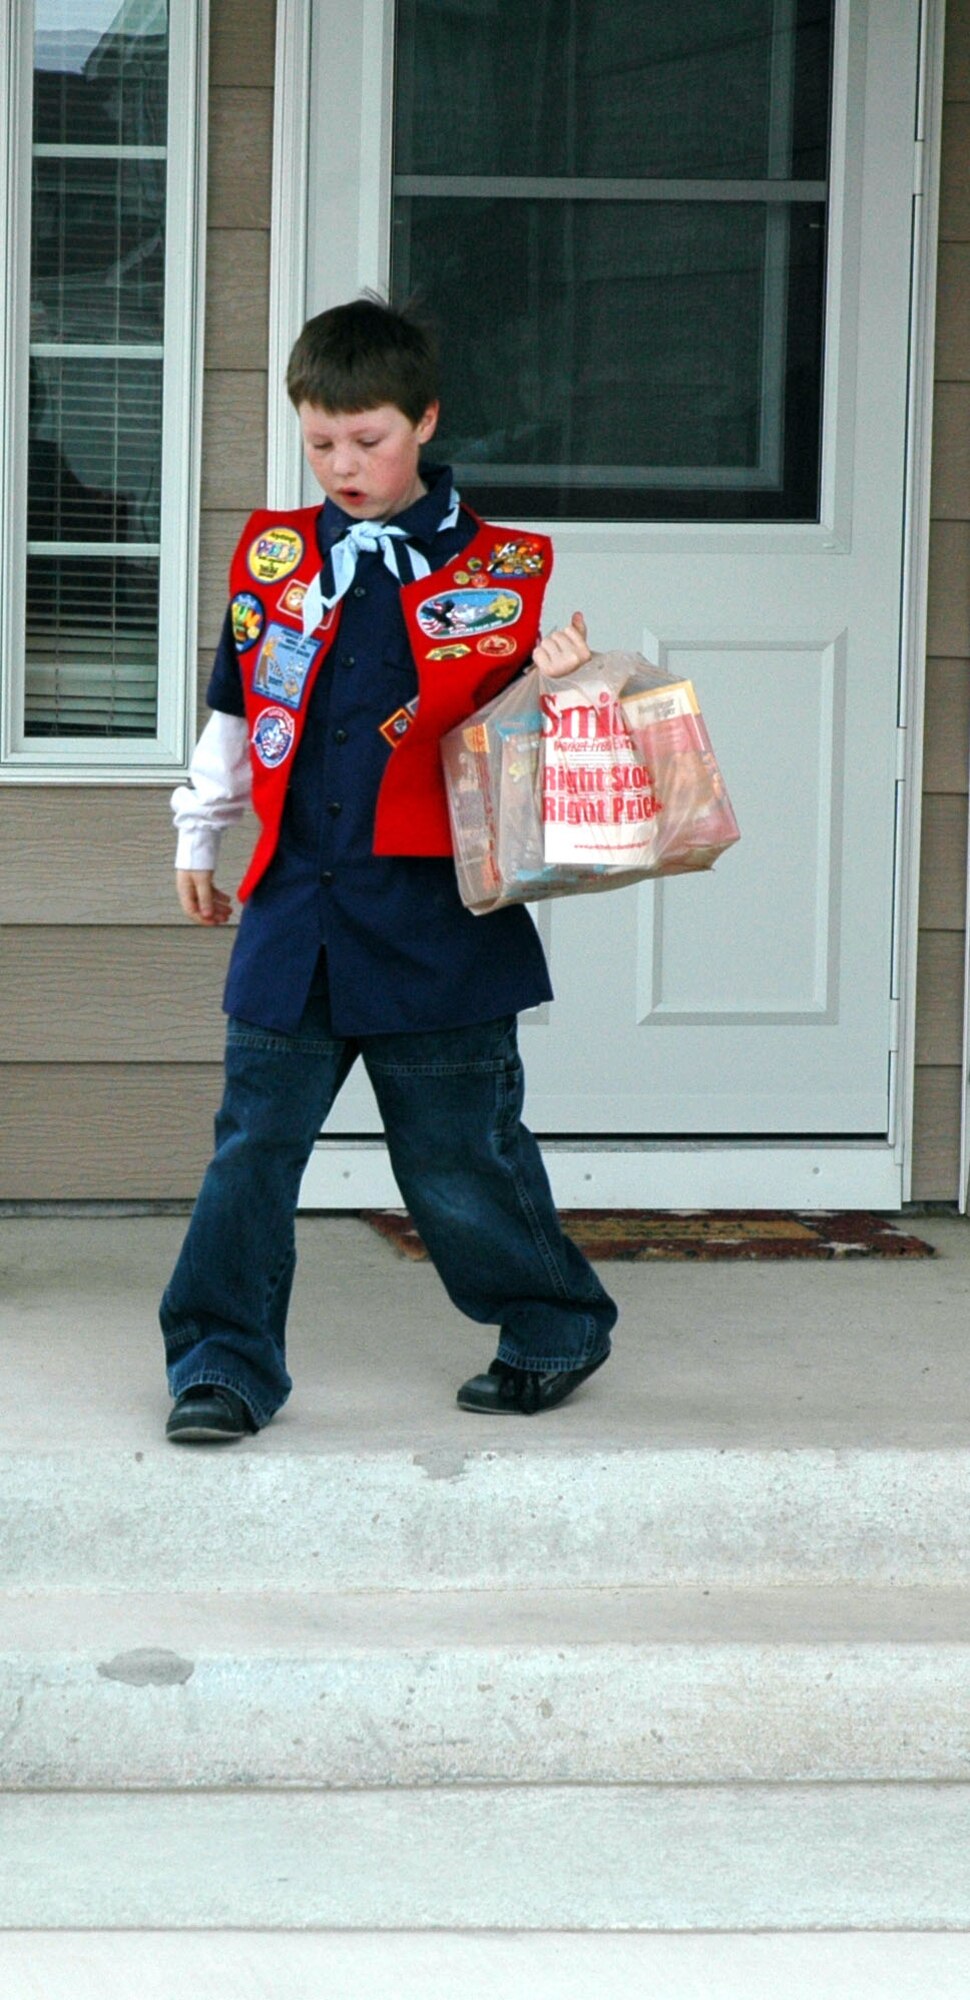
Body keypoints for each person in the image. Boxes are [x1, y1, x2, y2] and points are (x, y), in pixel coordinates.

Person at [160, 295, 617, 1443]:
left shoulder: (502, 569)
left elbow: (521, 758)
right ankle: (221, 1362)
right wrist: (198, 832)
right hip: (295, 902)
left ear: (424, 419)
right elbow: (238, 704)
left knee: (460, 1149)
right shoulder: (274, 558)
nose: (344, 463)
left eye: (367, 438)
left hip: (434, 916)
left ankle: (552, 1323)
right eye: (321, 441)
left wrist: (555, 680)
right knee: (252, 1144)